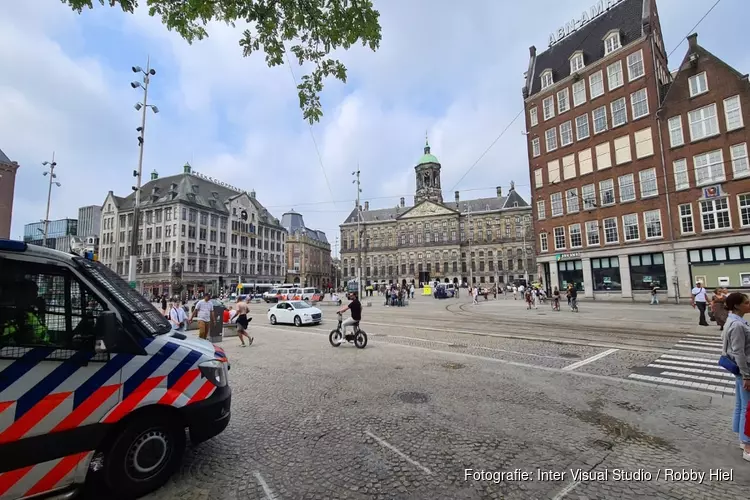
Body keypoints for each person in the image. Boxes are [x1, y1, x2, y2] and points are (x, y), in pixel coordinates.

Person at [721, 292, 750, 461]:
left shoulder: (732, 319)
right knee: (748, 408)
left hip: (738, 369)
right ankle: (747, 444)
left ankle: (741, 438)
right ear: (737, 306)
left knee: (740, 404)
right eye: (746, 302)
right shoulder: (738, 325)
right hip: (744, 369)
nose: (749, 304)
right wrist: (747, 375)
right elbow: (738, 352)